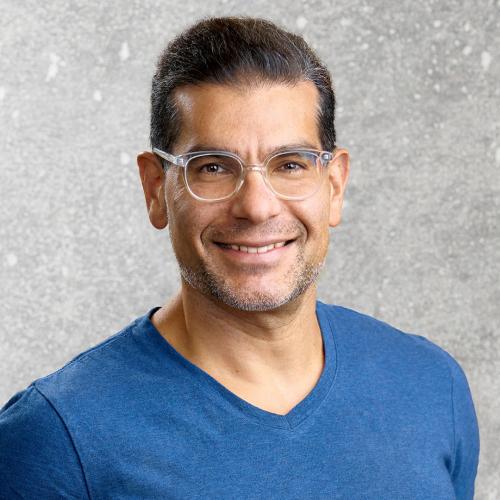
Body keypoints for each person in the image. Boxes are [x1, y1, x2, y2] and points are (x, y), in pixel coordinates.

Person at [0, 15, 479, 499]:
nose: (256, 206)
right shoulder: (55, 441)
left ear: (334, 186)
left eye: (290, 164)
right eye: (212, 167)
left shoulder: (430, 386)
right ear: (156, 190)